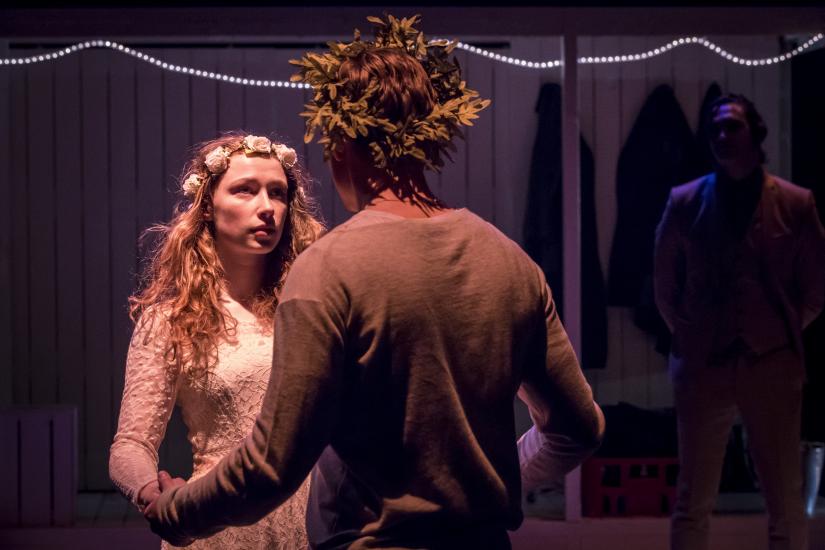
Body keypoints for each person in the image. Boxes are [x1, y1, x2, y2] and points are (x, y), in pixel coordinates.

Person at [144, 15, 604, 549]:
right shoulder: (511, 263)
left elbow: (273, 466)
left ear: (340, 144)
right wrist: (491, 479)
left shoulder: (329, 267)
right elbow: (578, 429)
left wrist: (174, 510)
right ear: (433, 139)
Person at [109, 131, 324, 549]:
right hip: (220, 523)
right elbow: (132, 444)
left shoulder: (311, 307)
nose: (267, 209)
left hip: (317, 523)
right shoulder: (171, 320)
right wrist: (153, 495)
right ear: (207, 205)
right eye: (246, 190)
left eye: (277, 193)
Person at [654, 94, 825, 550]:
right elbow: (664, 285)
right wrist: (693, 336)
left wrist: (773, 335)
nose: (722, 137)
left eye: (732, 127)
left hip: (772, 367)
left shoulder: (795, 203)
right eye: (715, 129)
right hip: (703, 367)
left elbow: (816, 290)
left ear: (757, 133)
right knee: (693, 497)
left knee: (784, 500)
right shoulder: (685, 201)